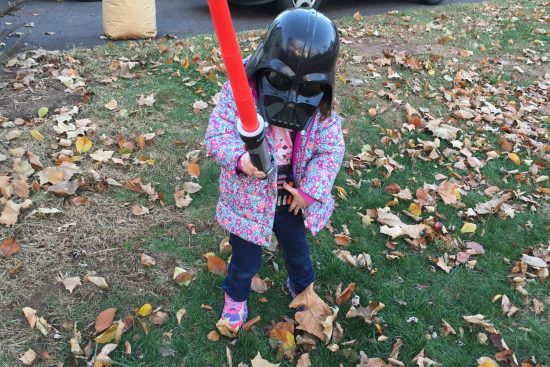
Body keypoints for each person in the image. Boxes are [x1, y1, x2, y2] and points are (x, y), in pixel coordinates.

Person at [204, 8, 345, 330]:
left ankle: (303, 289)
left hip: (291, 196)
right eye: (281, 82)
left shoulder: (322, 113)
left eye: (306, 87)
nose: (292, 97)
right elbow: (217, 135)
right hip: (248, 198)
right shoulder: (238, 96)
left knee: (298, 251)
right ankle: (236, 298)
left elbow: (329, 151)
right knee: (245, 260)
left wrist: (310, 191)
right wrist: (240, 159)